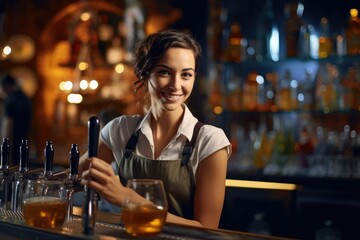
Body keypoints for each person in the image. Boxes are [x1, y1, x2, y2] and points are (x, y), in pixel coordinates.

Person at [79, 29, 232, 229]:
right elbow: (75, 177)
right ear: (145, 74)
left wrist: (128, 199)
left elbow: (207, 228)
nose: (176, 85)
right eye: (164, 72)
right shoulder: (120, 129)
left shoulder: (210, 140)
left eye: (186, 75)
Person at [0, 74, 32, 166]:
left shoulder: (10, 101)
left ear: (7, 87)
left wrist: (5, 150)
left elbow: (8, 125)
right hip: (24, 143)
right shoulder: (24, 97)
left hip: (11, 145)